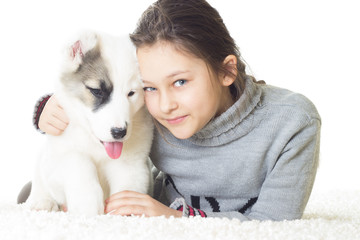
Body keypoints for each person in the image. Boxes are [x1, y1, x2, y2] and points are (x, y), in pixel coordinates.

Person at [20, 0, 321, 221]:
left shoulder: (291, 123)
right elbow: (104, 95)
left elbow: (277, 225)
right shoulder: (153, 111)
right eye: (149, 87)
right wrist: (46, 108)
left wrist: (173, 218)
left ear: (227, 71)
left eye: (180, 81)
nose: (164, 105)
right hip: (134, 194)